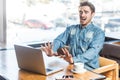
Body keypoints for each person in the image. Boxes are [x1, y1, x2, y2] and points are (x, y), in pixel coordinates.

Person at [41, 1, 105, 70]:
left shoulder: (99, 32)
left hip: (89, 69)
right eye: (80, 12)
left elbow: (93, 51)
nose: (82, 15)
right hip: (72, 67)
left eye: (86, 12)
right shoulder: (71, 29)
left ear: (92, 14)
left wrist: (73, 59)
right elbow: (59, 40)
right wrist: (53, 50)